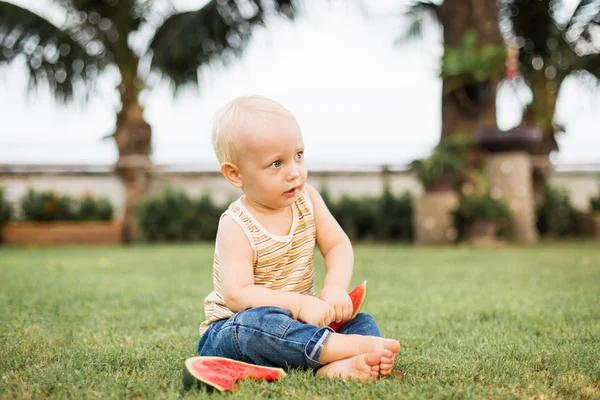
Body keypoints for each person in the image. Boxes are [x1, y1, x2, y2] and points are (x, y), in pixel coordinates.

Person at [196, 95, 400, 381]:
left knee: (361, 322)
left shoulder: (308, 200)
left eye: (299, 155)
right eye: (276, 163)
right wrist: (299, 304)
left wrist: (334, 288)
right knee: (257, 324)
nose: (294, 172)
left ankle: (334, 365)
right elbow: (237, 294)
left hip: (302, 325)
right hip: (234, 331)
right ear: (235, 174)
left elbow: (337, 245)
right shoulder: (236, 224)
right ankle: (342, 349)